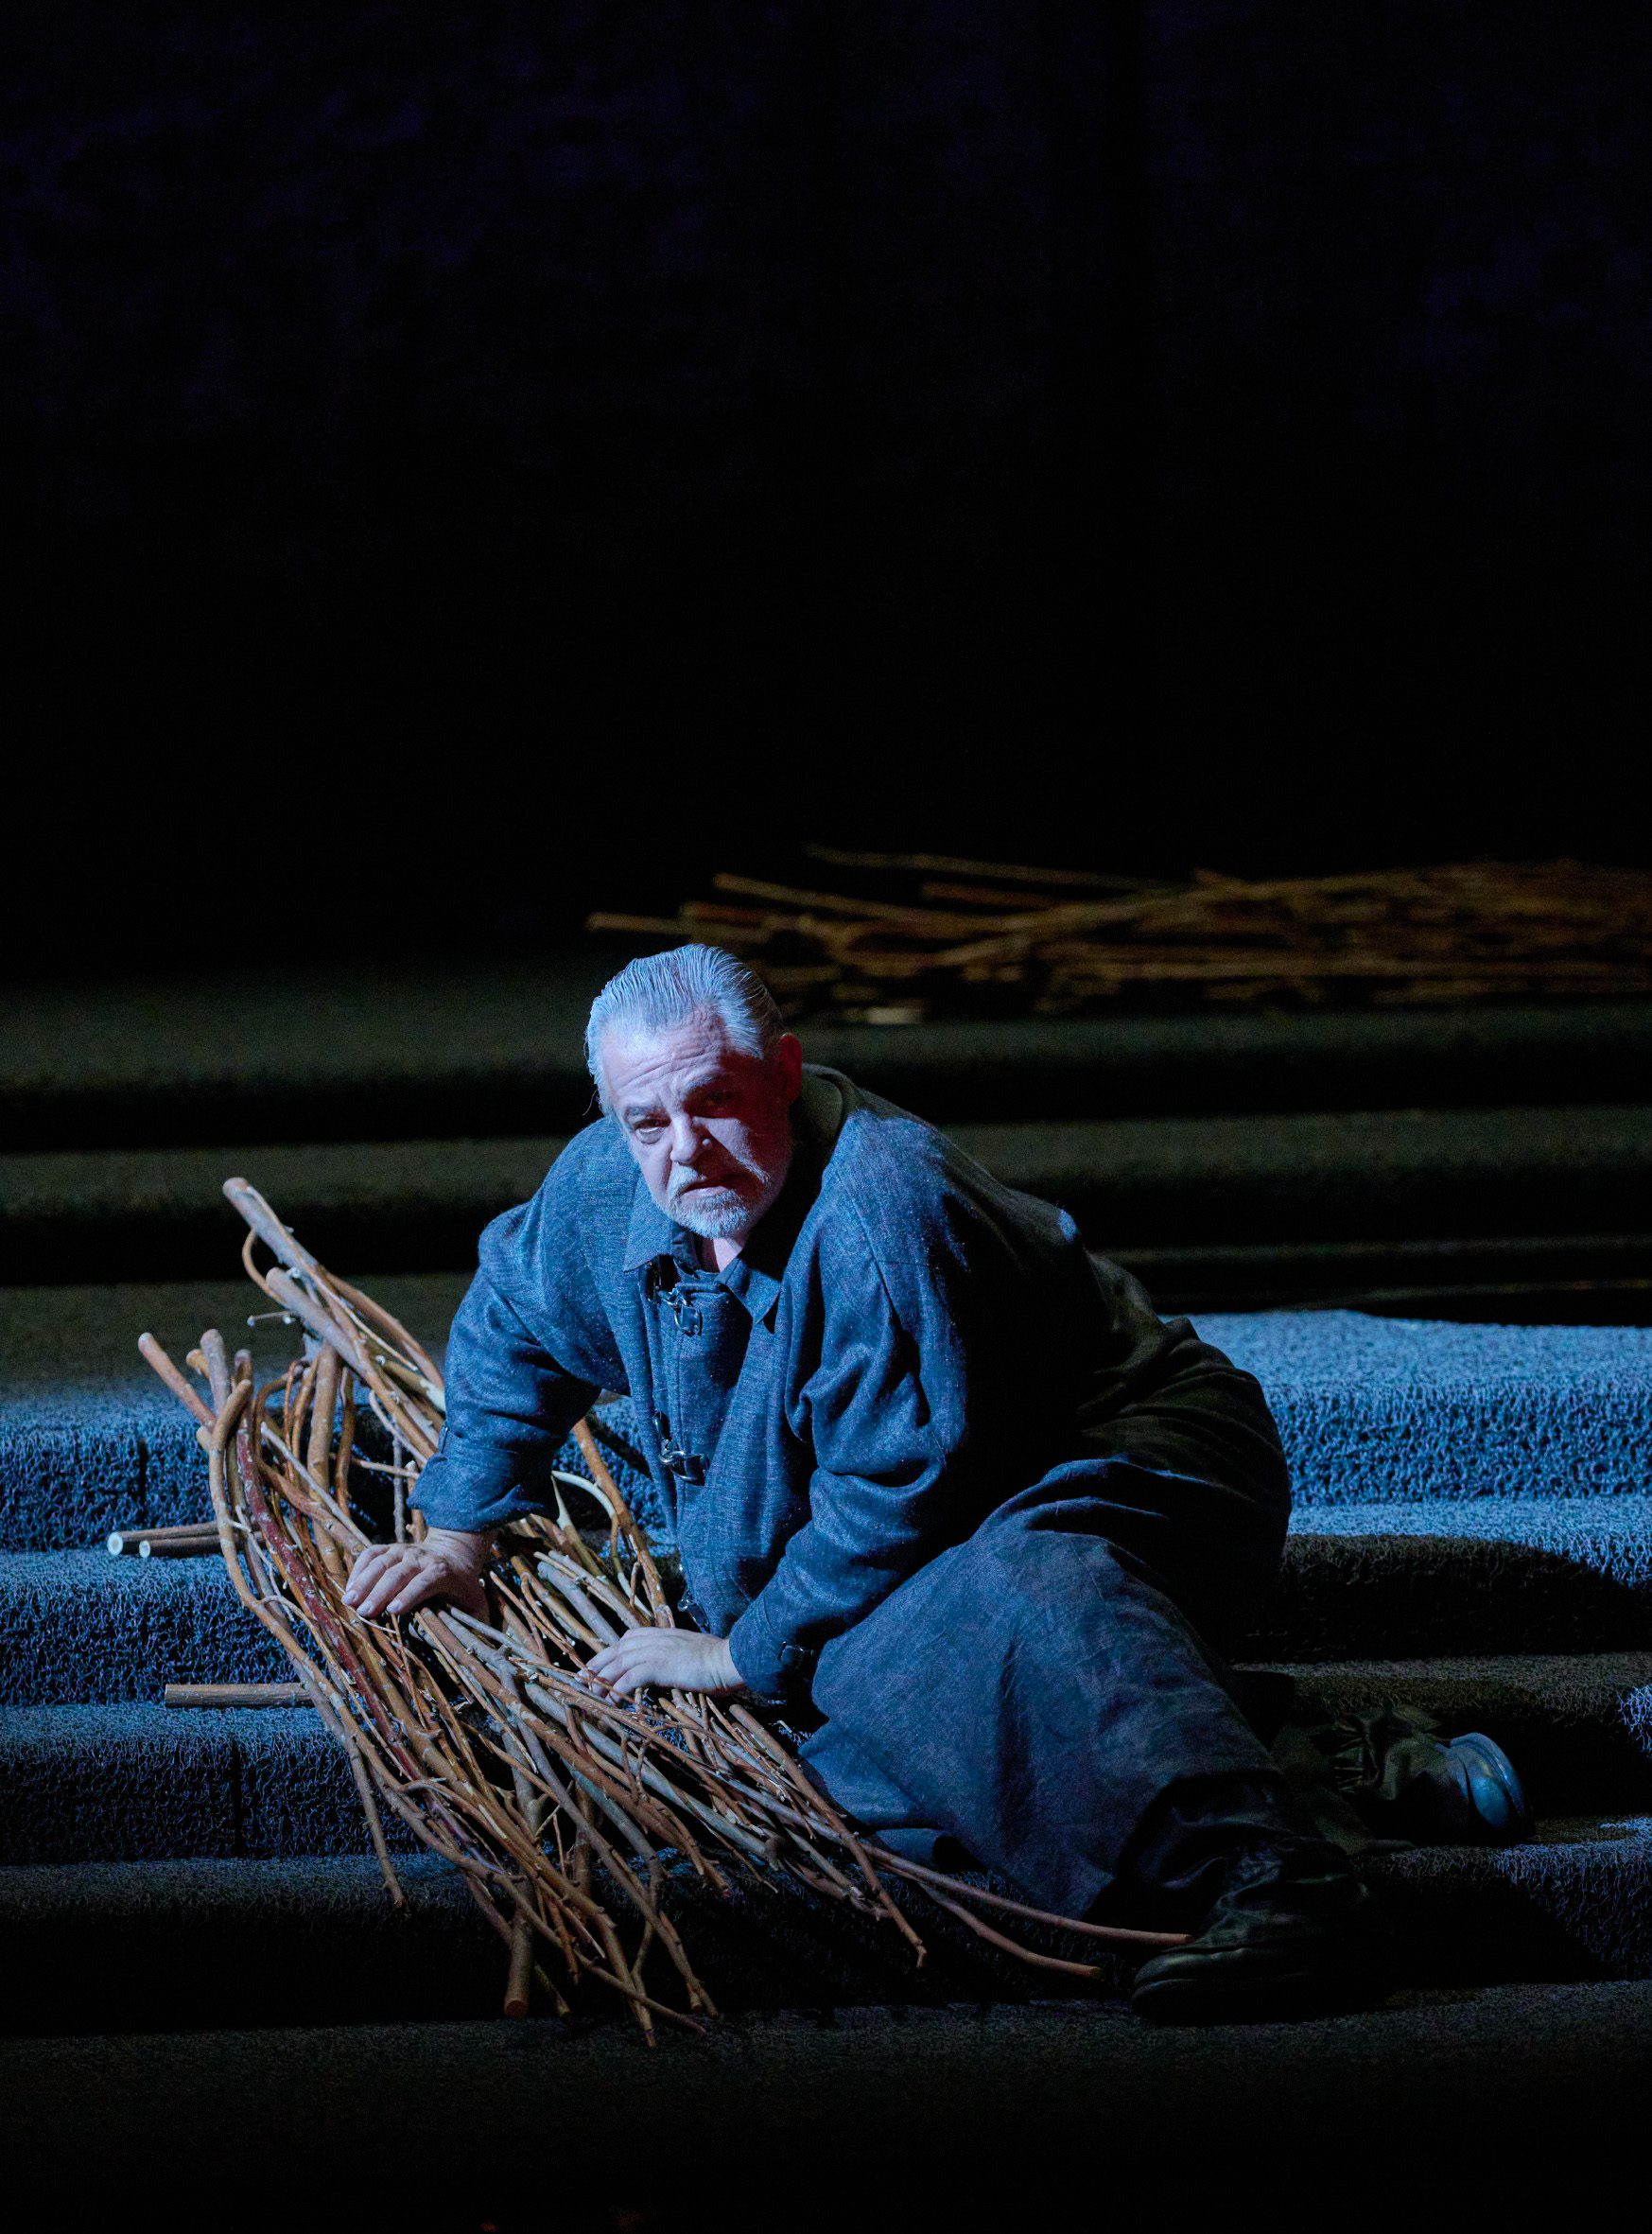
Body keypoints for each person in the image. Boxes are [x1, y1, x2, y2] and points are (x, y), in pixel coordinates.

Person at [342, 946, 1452, 2020]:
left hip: (1119, 1459)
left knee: (951, 1622)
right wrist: (460, 1532)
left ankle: (1277, 1880)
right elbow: (512, 1316)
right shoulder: (608, 1178)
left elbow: (901, 1494)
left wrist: (741, 1648)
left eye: (716, 1100)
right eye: (647, 1120)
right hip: (930, 1490)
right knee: (832, 1738)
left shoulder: (883, 1204)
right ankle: (1304, 1761)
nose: (686, 1149)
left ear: (783, 1071)